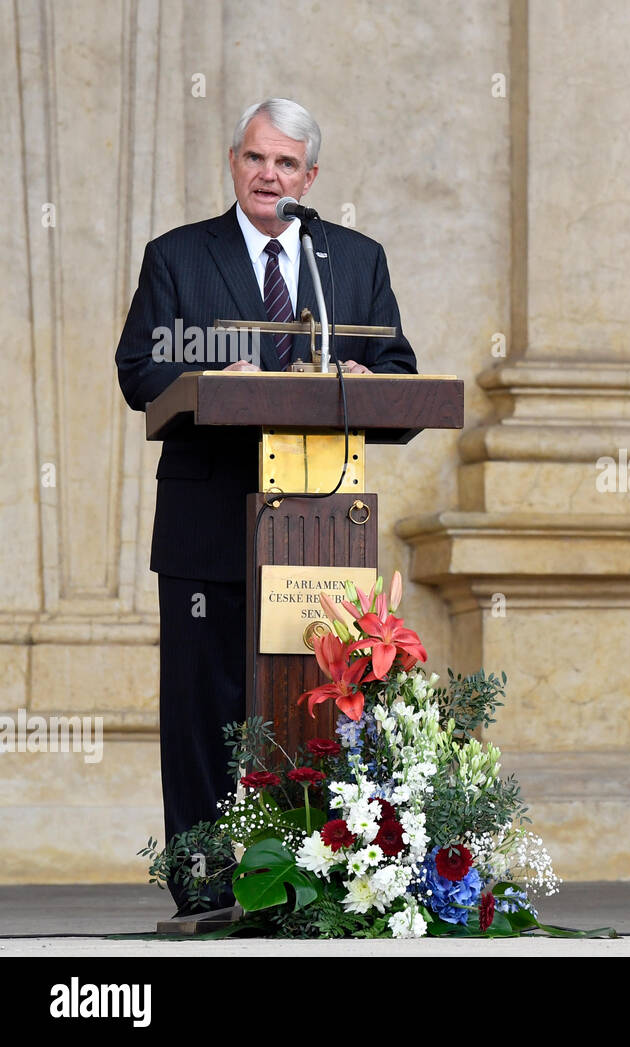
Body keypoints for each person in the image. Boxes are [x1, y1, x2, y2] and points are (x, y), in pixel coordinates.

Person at [115, 97, 418, 913]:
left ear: (310, 178)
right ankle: (207, 887)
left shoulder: (351, 259)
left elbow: (398, 369)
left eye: (286, 164)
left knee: (313, 703)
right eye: (256, 158)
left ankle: (313, 880)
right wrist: (219, 382)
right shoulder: (178, 256)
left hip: (319, 530)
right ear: (233, 162)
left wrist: (368, 381)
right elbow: (140, 371)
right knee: (204, 709)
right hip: (207, 526)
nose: (269, 175)